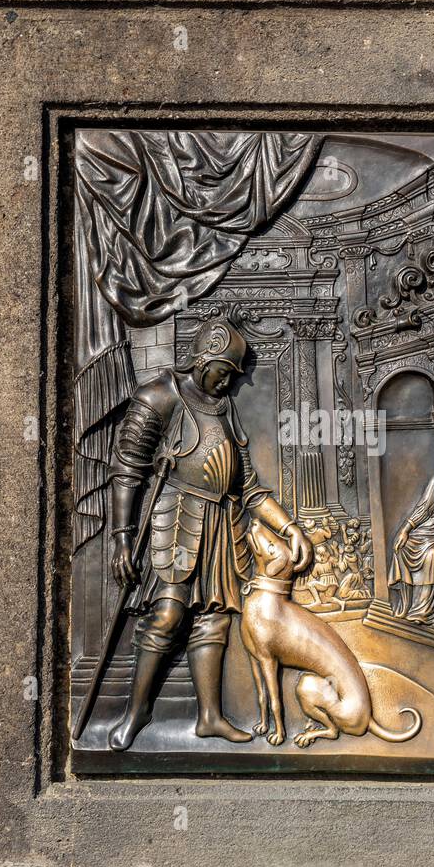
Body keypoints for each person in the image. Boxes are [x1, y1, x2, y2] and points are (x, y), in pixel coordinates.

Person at [107, 320, 313, 750]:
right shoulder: (158, 396)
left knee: (213, 619)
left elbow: (250, 487)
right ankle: (138, 709)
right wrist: (123, 537)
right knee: (166, 614)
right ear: (204, 358)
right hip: (174, 515)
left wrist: (289, 527)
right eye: (224, 372)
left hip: (221, 523)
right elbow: (127, 468)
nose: (229, 382)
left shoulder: (224, 408)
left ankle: (209, 716)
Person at [388, 472, 434, 624]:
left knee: (432, 553)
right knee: (402, 548)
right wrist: (405, 529)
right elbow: (426, 506)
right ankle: (406, 603)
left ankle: (424, 608)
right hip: (430, 528)